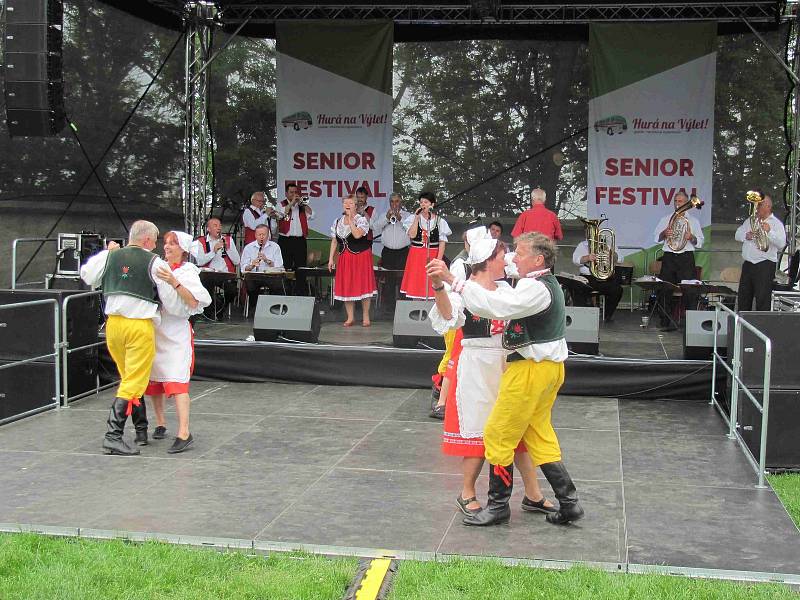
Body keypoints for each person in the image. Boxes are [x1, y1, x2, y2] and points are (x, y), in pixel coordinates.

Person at [428, 232, 583, 526]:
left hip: (524, 367)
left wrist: (453, 278)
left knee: (499, 434)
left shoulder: (527, 288)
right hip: (506, 365)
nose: (512, 257)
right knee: (534, 433)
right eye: (505, 254)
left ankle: (501, 506)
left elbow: (498, 306)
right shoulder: (525, 283)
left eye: (518, 253)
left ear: (537, 260)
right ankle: (567, 502)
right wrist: (445, 283)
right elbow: (452, 314)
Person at [80, 220, 182, 456]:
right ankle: (112, 436)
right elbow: (168, 298)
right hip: (139, 326)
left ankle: (141, 429)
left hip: (114, 325)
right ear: (147, 240)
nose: (156, 245)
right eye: (155, 240)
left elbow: (87, 275)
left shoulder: (110, 256)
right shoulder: (154, 262)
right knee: (134, 380)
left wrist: (108, 252)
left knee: (129, 378)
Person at [145, 231, 211, 454]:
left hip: (176, 331)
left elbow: (194, 301)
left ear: (183, 249)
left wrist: (174, 282)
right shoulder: (157, 266)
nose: (167, 247)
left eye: (173, 244)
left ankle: (184, 431)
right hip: (155, 328)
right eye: (165, 243)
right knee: (154, 382)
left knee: (176, 381)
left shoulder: (188, 272)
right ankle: (161, 422)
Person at [653, 191, 704, 329]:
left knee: (690, 290)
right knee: (665, 289)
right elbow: (655, 238)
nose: (677, 203)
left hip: (686, 257)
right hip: (669, 256)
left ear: (687, 203)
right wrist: (665, 233)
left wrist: (691, 237)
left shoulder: (693, 221)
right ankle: (665, 321)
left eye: (681, 201)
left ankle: (690, 324)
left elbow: (700, 242)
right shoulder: (666, 218)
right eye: (676, 201)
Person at [329, 195, 377, 327]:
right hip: (345, 257)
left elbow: (356, 235)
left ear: (356, 205)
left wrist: (350, 220)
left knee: (363, 285)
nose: (347, 205)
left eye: (350, 203)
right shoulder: (337, 221)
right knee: (347, 286)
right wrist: (330, 259)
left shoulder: (361, 220)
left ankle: (366, 316)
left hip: (361, 256)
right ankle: (350, 317)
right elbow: (334, 241)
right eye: (345, 203)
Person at [735, 192, 786, 311]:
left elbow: (781, 243)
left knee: (762, 298)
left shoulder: (776, 223)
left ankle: (761, 328)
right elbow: (737, 234)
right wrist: (746, 235)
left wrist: (769, 232)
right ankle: (742, 326)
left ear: (768, 206)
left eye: (759, 205)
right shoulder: (750, 220)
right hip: (748, 264)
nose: (756, 207)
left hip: (765, 265)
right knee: (744, 297)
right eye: (756, 205)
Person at [400, 191, 451, 299]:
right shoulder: (413, 219)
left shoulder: (440, 221)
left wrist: (438, 260)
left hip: (433, 255)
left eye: (426, 202)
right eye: (421, 202)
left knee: (432, 285)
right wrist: (416, 219)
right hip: (416, 256)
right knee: (416, 286)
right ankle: (416, 309)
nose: (423, 204)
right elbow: (412, 235)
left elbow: (442, 243)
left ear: (432, 204)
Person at [194, 217, 240, 314]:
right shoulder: (201, 242)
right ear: (208, 229)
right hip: (209, 274)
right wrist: (213, 251)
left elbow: (237, 261)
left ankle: (221, 310)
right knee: (205, 286)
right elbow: (200, 262)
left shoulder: (228, 240)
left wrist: (227, 248)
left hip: (225, 274)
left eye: (220, 225)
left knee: (232, 291)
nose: (218, 228)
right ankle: (211, 311)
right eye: (215, 225)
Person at [571, 239, 623, 322]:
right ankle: (581, 316)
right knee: (577, 288)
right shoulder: (583, 245)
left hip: (605, 278)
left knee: (617, 290)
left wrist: (610, 253)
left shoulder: (609, 244)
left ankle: (607, 315)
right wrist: (587, 258)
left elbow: (620, 259)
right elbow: (575, 260)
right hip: (588, 277)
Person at [277, 182, 314, 295]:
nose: (294, 194)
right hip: (285, 241)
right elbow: (280, 214)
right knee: (285, 267)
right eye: (291, 192)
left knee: (301, 268)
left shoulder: (301, 206)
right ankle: (285, 292)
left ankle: (301, 294)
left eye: (295, 192)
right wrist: (292, 203)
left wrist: (303, 204)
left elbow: (313, 215)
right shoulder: (281, 204)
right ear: (286, 193)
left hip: (299, 241)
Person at [241, 224, 285, 316]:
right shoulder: (248, 248)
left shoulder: (275, 247)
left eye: (264, 234)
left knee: (278, 285)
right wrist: (252, 265)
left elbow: (280, 266)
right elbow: (243, 268)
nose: (262, 237)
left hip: (270, 276)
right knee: (250, 283)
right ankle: (255, 309)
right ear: (255, 235)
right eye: (259, 235)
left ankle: (275, 309)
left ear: (268, 234)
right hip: (255, 276)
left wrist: (267, 260)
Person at [371, 192, 410, 270]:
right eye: (392, 201)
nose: (394, 203)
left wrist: (400, 219)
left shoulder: (407, 215)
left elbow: (411, 229)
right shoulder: (384, 215)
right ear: (389, 203)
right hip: (387, 253)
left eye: (397, 201)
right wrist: (386, 218)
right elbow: (375, 227)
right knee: (388, 279)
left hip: (403, 253)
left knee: (402, 278)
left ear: (401, 202)